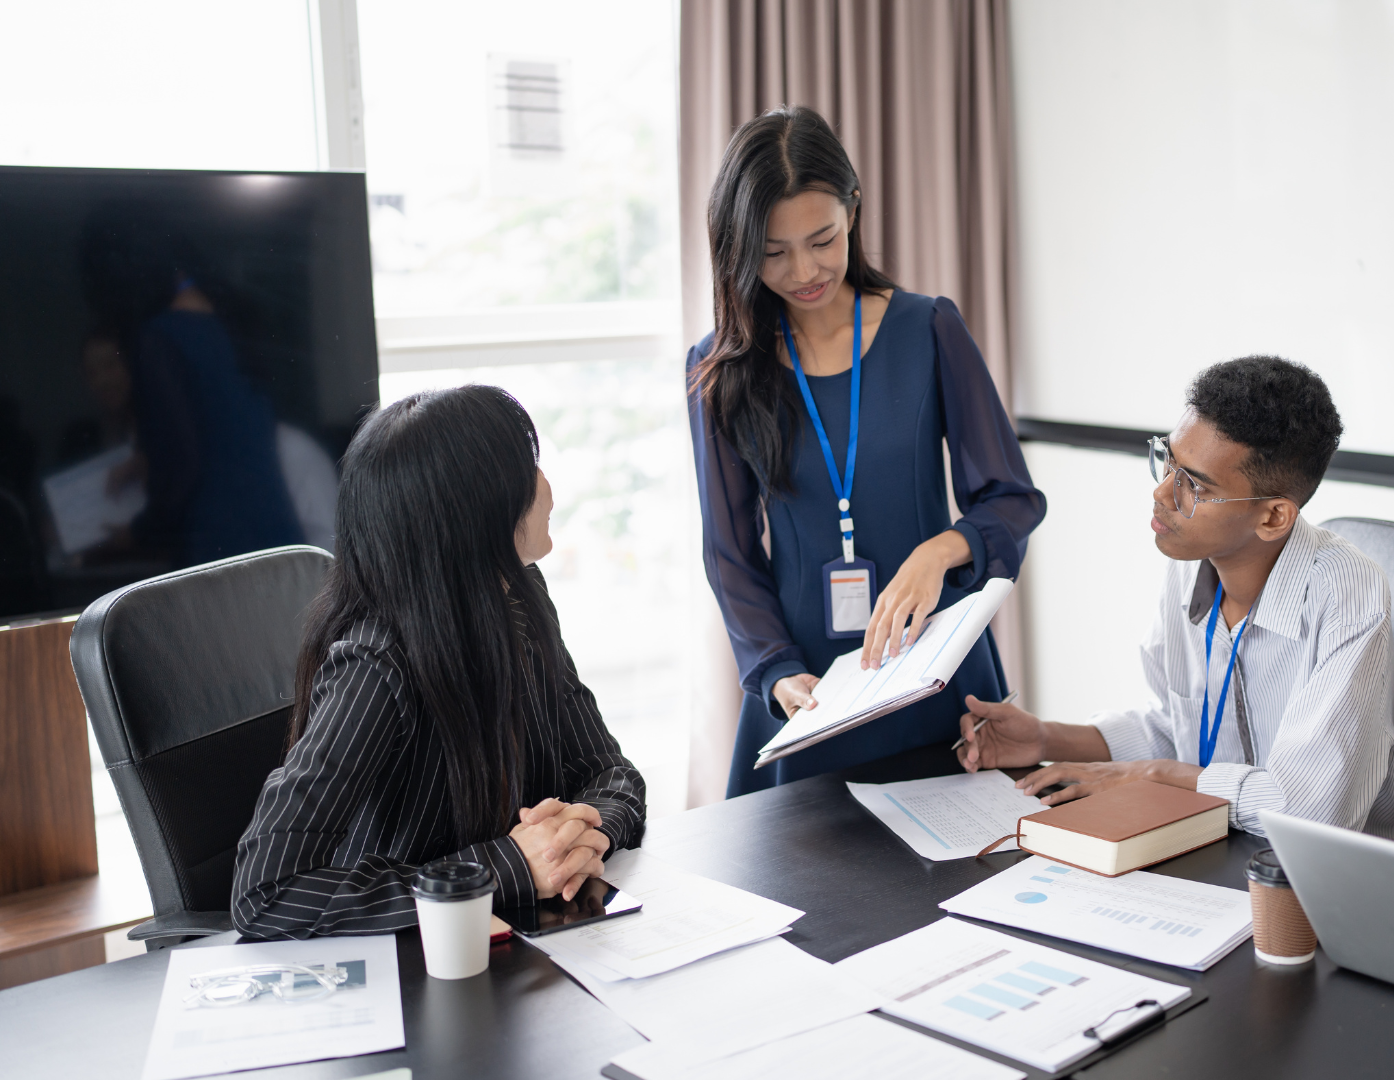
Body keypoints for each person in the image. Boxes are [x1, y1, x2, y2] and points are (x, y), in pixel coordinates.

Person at [690, 105, 1045, 797]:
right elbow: (729, 551)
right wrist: (774, 669)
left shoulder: (929, 329)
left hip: (933, 667)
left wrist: (938, 552)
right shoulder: (721, 368)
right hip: (811, 691)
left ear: (853, 208)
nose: (804, 270)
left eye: (822, 239)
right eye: (772, 251)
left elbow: (1011, 499)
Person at [231, 386, 645, 938]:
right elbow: (266, 893)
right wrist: (509, 867)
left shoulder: (518, 595)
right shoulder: (376, 663)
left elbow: (609, 771)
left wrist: (583, 833)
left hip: (517, 941)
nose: (547, 487)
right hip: (412, 968)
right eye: (530, 469)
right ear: (479, 511)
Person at [959, 356, 1394, 839]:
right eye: (1168, 460)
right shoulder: (1192, 561)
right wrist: (1047, 738)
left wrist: (1158, 777)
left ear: (1274, 517)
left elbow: (1312, 811)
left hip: (1314, 880)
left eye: (1194, 484)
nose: (1162, 494)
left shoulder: (1347, 595)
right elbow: (1179, 728)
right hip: (1205, 837)